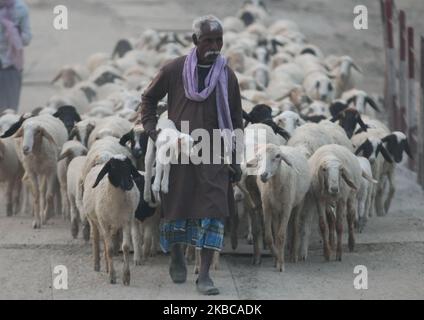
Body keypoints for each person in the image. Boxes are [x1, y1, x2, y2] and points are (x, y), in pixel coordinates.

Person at [139, 15, 243, 295]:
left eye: (219, 40)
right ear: (194, 41)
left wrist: (235, 158)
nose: (215, 45)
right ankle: (176, 255)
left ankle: (205, 274)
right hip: (180, 152)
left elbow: (235, 117)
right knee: (177, 209)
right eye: (208, 40)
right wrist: (154, 132)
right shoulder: (174, 70)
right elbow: (148, 99)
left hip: (213, 152)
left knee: (214, 211)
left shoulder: (227, 75)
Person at [0, 0, 32, 112]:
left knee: (9, 111)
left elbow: (27, 38)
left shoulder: (20, 8)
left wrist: (15, 33)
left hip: (11, 65)